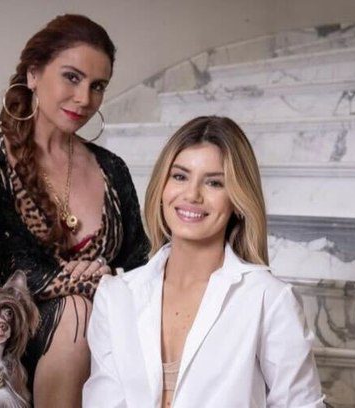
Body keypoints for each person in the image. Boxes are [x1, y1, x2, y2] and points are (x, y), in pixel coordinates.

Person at [0, 14, 150, 407]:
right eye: (72, 77)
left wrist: (107, 278)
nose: (84, 98)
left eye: (97, 86)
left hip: (109, 342)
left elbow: (138, 267)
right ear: (33, 74)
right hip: (11, 345)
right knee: (75, 310)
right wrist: (81, 283)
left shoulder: (112, 170)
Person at [83, 116, 325, 407]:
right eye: (180, 176)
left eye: (214, 182)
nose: (192, 195)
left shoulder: (268, 299)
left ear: (237, 200)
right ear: (162, 187)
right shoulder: (116, 296)